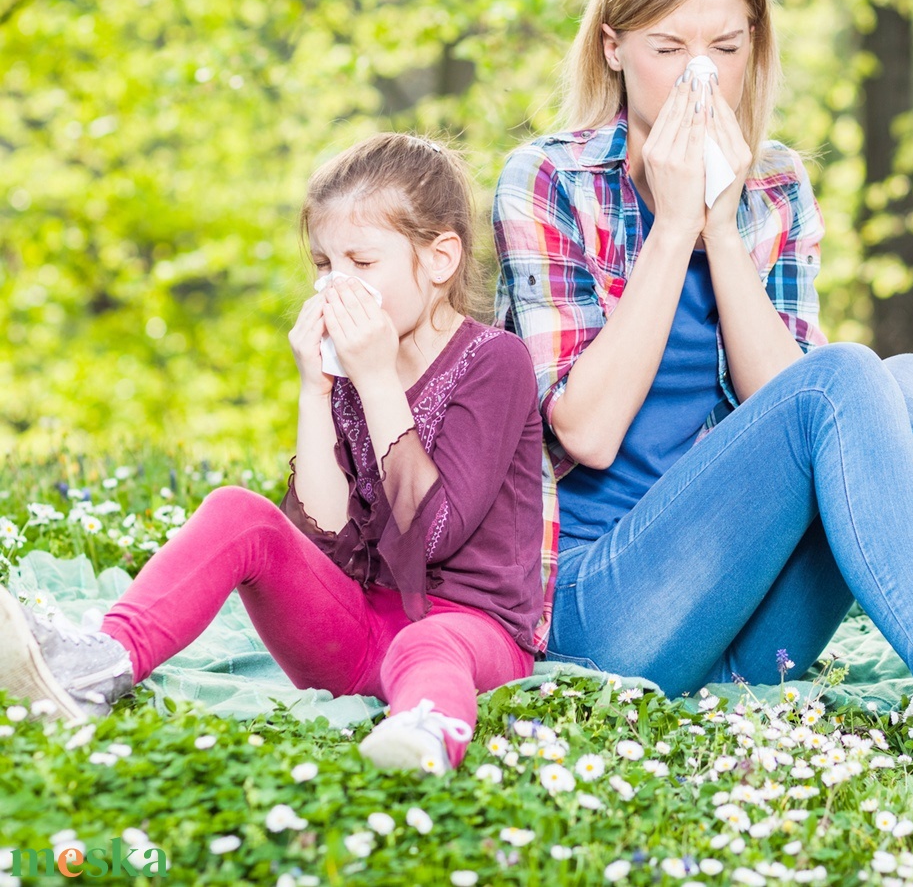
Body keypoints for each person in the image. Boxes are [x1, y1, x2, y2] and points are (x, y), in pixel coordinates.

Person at [492, 0, 913, 809]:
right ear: (613, 48)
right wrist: (672, 225)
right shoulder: (550, 180)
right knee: (855, 374)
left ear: (754, 49)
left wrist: (724, 228)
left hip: (744, 619)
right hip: (602, 612)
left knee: (908, 385)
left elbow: (809, 415)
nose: (700, 75)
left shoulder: (774, 185)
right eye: (668, 48)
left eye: (725, 47)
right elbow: (584, 429)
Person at [0, 133, 553, 774]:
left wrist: (375, 378)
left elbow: (432, 536)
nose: (335, 285)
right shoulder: (349, 372)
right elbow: (323, 543)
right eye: (323, 264)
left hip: (471, 633)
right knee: (239, 510)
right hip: (356, 634)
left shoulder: (494, 361)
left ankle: (424, 732)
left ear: (439, 259)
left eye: (362, 263)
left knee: (430, 643)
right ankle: (100, 663)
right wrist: (315, 389)